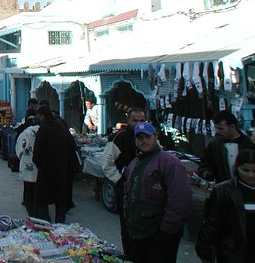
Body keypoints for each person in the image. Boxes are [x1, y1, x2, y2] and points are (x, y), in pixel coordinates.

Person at [123, 122, 192, 263]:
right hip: (137, 232)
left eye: (147, 137)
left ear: (155, 137)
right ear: (135, 141)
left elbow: (180, 199)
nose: (144, 141)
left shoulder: (169, 163)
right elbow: (127, 192)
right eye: (140, 137)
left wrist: (166, 230)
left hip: (160, 234)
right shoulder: (133, 164)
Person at [101, 107, 146, 259]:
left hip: (147, 192)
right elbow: (106, 162)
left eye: (142, 121)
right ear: (128, 121)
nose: (139, 124)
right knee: (127, 227)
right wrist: (119, 180)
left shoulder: (149, 137)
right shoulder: (120, 138)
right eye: (135, 120)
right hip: (126, 190)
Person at [196, 148, 255, 262]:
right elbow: (212, 223)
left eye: (254, 171)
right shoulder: (223, 191)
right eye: (245, 170)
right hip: (233, 251)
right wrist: (205, 251)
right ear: (237, 167)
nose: (250, 175)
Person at [32, 105, 73, 223]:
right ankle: (60, 227)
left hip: (46, 170)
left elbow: (38, 152)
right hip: (61, 169)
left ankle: (46, 226)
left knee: (42, 200)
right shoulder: (60, 126)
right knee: (60, 201)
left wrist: (39, 163)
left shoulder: (44, 128)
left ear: (42, 115)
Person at [198, 110, 253, 183]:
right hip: (224, 189)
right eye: (216, 128)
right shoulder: (214, 145)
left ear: (232, 127)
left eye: (221, 129)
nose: (217, 132)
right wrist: (205, 172)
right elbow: (205, 163)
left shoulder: (248, 143)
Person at [15, 114, 40, 217]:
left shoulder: (25, 133)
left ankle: (31, 214)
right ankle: (36, 214)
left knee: (28, 190)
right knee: (37, 192)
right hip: (39, 168)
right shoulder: (44, 131)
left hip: (26, 166)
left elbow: (19, 150)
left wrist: (22, 159)